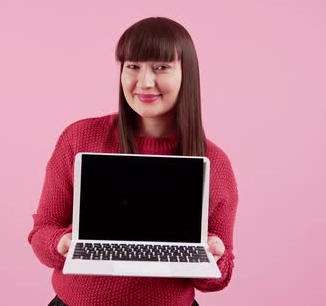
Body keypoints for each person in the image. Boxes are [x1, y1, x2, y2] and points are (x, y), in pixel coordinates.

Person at [28, 16, 238, 306]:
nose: (145, 82)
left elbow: (220, 276)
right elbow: (43, 231)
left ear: (187, 73)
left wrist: (211, 254)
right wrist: (63, 243)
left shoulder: (215, 163)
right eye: (133, 66)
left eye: (161, 67)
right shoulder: (78, 138)